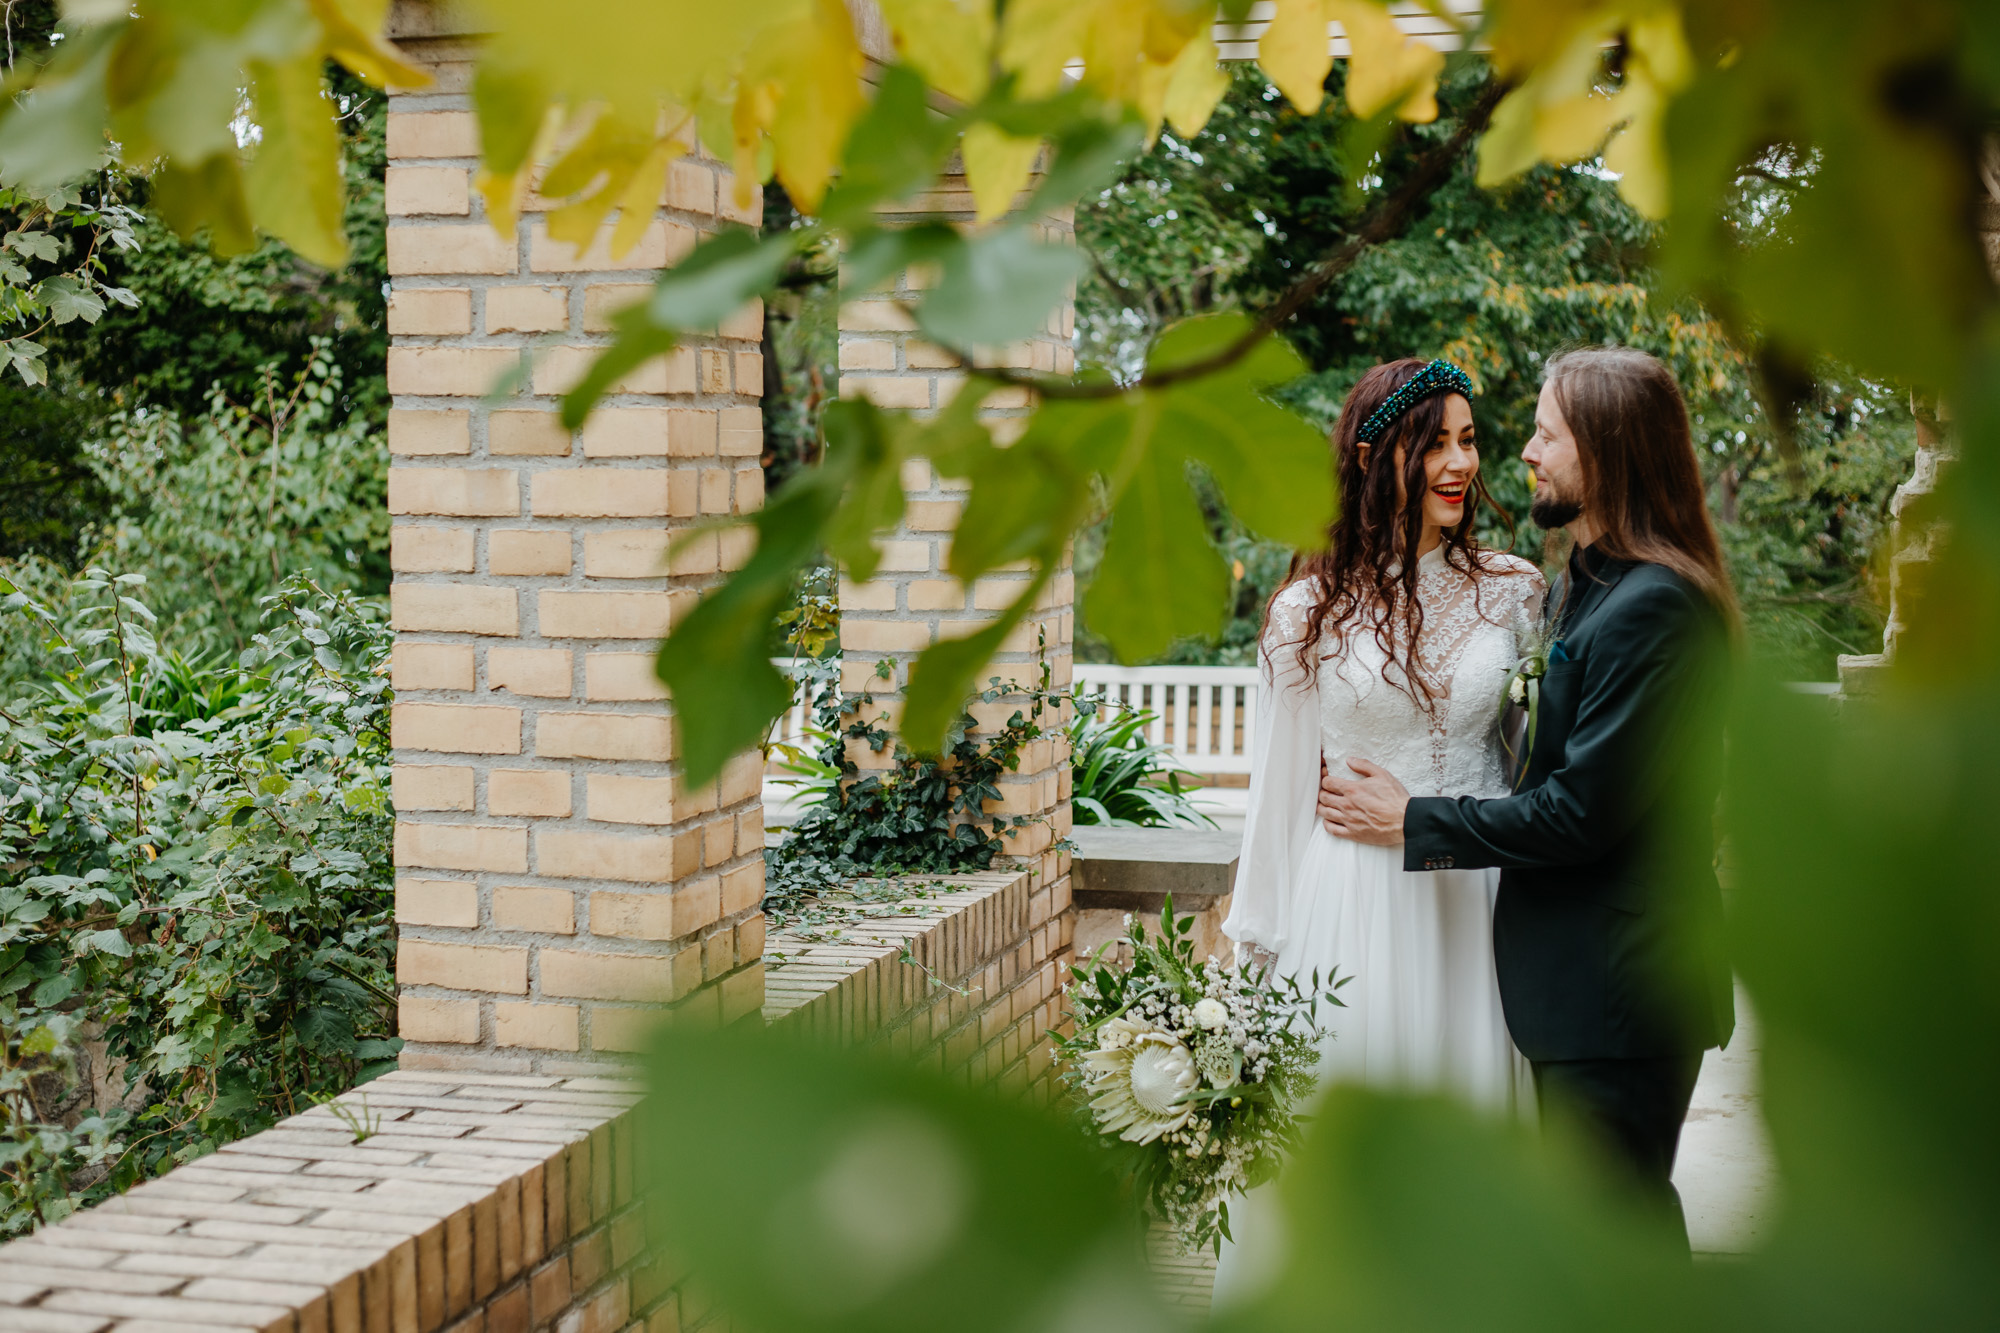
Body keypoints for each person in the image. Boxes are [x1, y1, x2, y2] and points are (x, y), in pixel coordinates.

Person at [1318, 345, 1737, 1251]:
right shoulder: (1583, 590)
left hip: (1622, 991)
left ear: (1607, 450)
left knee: (1618, 1244)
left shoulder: (1655, 606)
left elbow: (1581, 811)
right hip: (1570, 987)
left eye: (1546, 433)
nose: (1523, 454)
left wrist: (1411, 821)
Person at [1212, 357, 1542, 1303]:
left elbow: (1535, 765)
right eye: (1434, 441)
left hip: (1477, 909)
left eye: (1469, 440)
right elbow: (1273, 810)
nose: (1458, 462)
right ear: (1376, 456)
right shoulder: (1304, 614)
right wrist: (1248, 985)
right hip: (1347, 911)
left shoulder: (1515, 593)